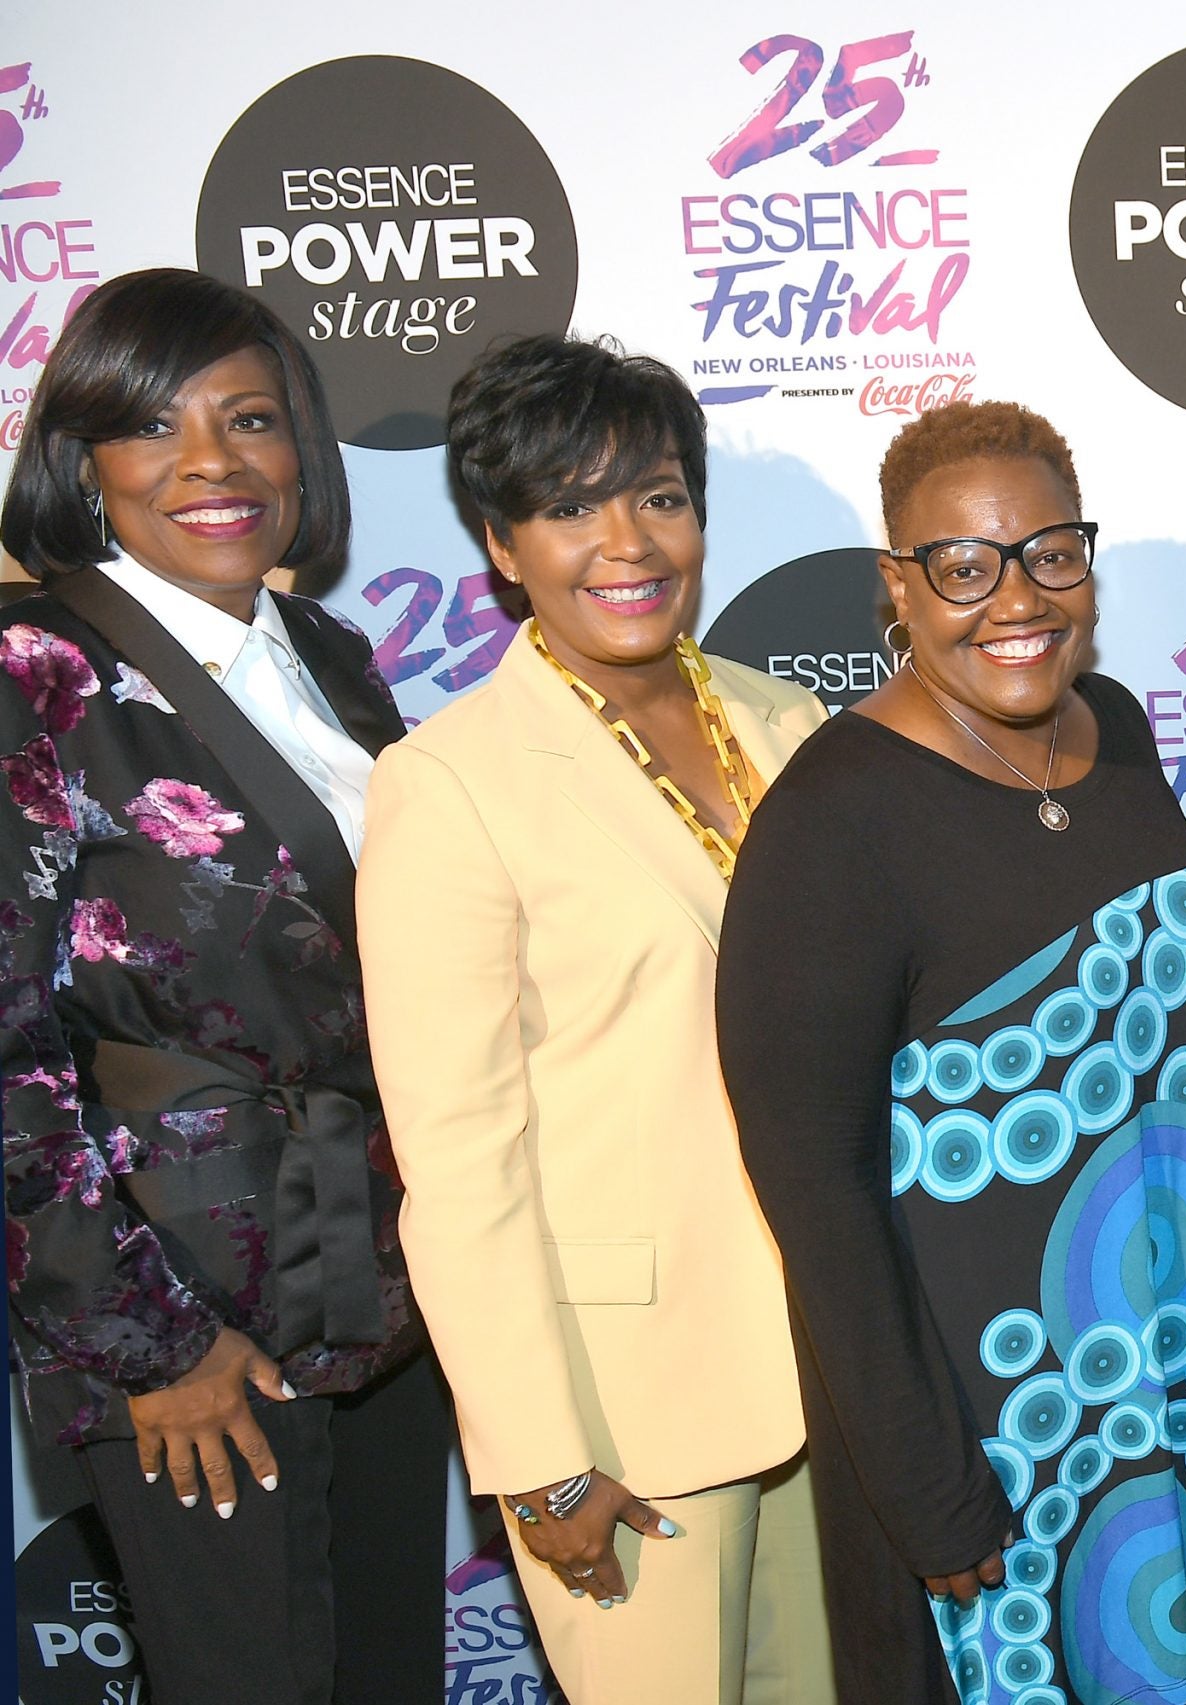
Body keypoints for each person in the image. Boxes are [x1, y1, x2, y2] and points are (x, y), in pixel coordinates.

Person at [716, 399, 1186, 1705]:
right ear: (898, 586)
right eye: (964, 566)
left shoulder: (1118, 730)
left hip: (1153, 1368)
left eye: (1050, 553)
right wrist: (930, 1484)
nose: (1017, 598)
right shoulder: (832, 817)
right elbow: (813, 1185)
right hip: (985, 1422)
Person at [356, 335, 834, 1704]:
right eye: (570, 505)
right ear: (501, 545)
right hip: (626, 1404)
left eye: (660, 496)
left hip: (830, 1369)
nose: (627, 542)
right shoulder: (451, 783)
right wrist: (537, 1452)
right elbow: (459, 1154)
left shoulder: (790, 723)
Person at [0, 268, 439, 1703]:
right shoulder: (30, 673)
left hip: (383, 1290)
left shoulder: (330, 659)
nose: (212, 462)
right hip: (188, 1317)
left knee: (385, 1674)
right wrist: (150, 1345)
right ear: (82, 460)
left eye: (248, 419)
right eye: (154, 425)